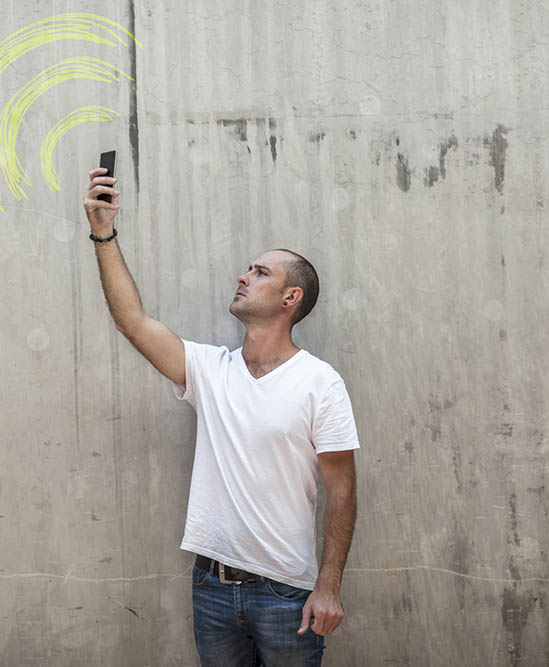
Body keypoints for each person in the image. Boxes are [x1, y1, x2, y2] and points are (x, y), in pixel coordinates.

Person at [82, 167, 359, 666]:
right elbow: (132, 322)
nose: (243, 276)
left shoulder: (320, 382)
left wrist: (328, 586)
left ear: (290, 298)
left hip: (286, 596)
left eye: (260, 272)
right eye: (248, 269)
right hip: (211, 588)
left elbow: (342, 491)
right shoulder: (211, 370)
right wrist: (104, 232)